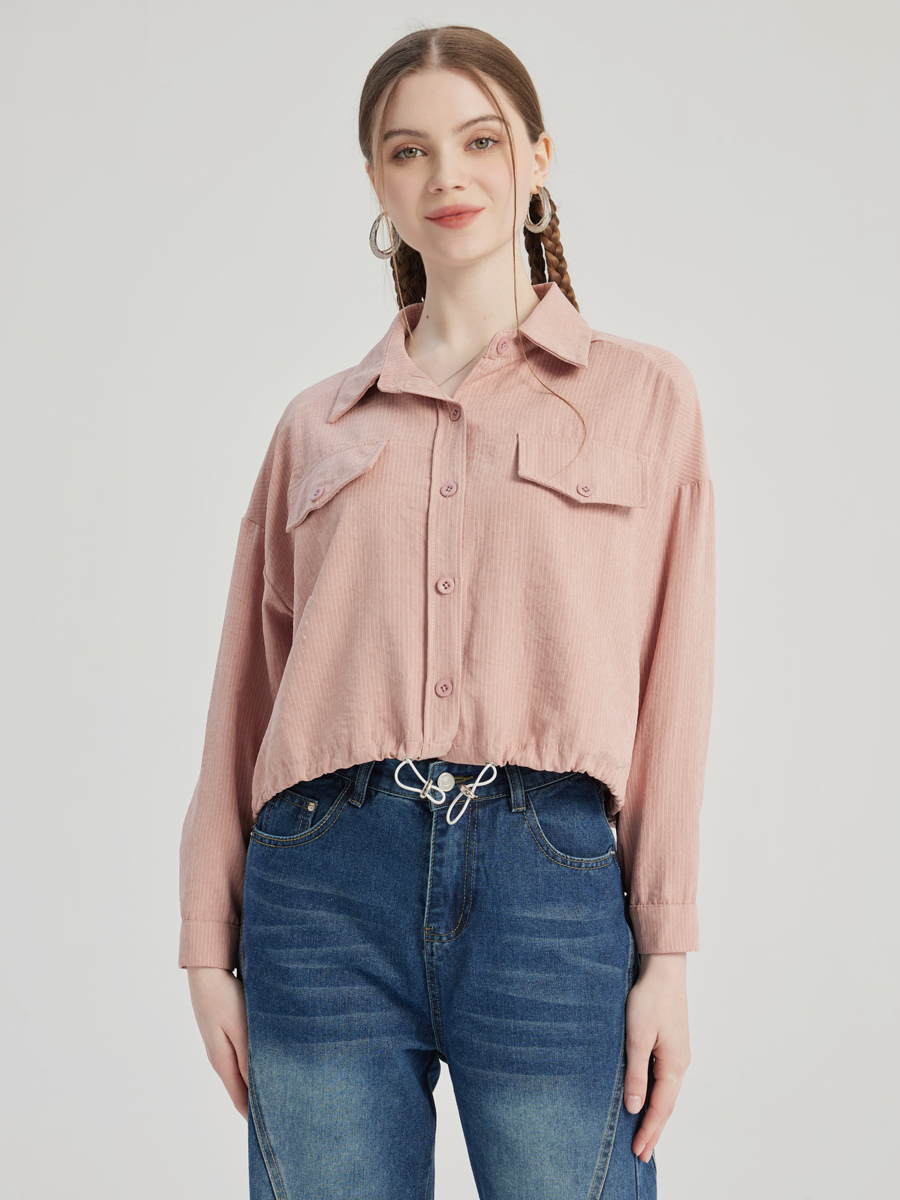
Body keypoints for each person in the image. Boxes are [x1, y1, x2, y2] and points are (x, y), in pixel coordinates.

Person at [178, 24, 715, 1200]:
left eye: (479, 141)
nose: (446, 175)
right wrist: (206, 941)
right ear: (378, 184)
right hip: (320, 889)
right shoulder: (316, 426)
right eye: (408, 150)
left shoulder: (644, 398)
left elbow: (675, 685)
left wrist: (667, 953)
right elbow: (247, 693)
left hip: (550, 884)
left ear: (538, 158)